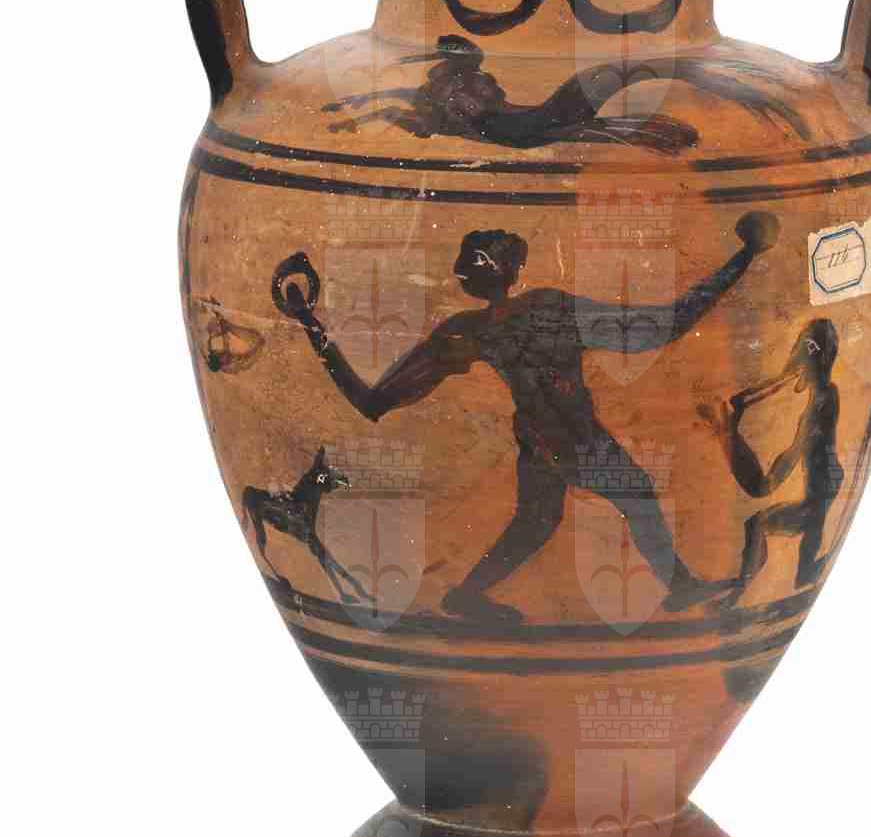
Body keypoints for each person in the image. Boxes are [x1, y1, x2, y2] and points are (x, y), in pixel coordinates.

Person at [272, 210, 779, 625]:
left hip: (540, 439)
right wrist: (744, 258)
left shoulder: (470, 331)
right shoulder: (544, 309)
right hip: (574, 437)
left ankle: (466, 595)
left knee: (537, 521)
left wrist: (311, 324)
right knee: (635, 494)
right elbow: (661, 326)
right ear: (513, 270)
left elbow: (371, 402)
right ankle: (680, 585)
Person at [698, 318, 844, 599]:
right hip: (822, 488)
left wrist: (768, 480)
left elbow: (797, 449)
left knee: (760, 522)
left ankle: (740, 594)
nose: (794, 354)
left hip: (820, 492)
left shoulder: (824, 400)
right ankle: (748, 590)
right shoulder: (824, 395)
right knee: (793, 546)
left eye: (800, 347)